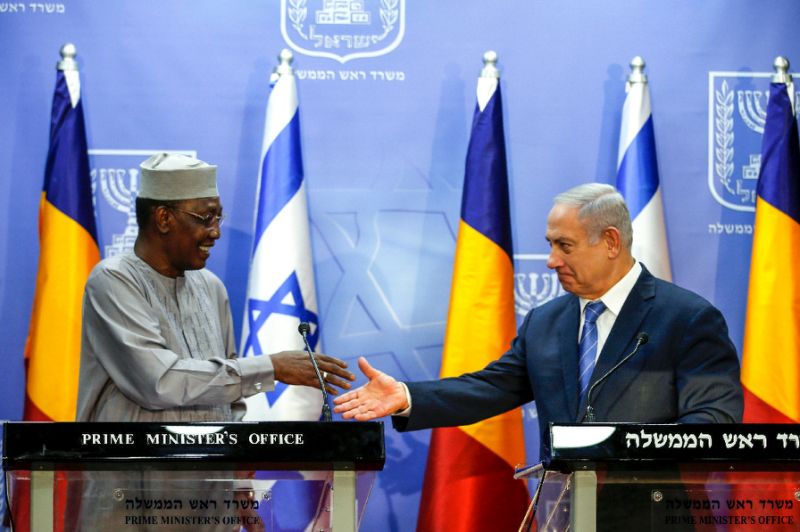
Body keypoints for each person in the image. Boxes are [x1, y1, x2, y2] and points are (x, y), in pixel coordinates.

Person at [333, 183, 743, 459]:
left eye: (565, 246)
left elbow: (712, 424)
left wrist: (623, 455)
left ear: (612, 242)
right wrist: (407, 396)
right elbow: (490, 388)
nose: (551, 261)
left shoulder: (687, 319)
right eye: (550, 245)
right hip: (562, 511)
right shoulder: (546, 322)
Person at [77, 152, 354, 422]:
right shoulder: (113, 281)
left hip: (214, 467)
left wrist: (236, 452)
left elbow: (230, 391)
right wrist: (271, 367)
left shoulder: (210, 286)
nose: (216, 232)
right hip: (136, 466)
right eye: (206, 218)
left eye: (218, 218)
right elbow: (159, 382)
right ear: (164, 219)